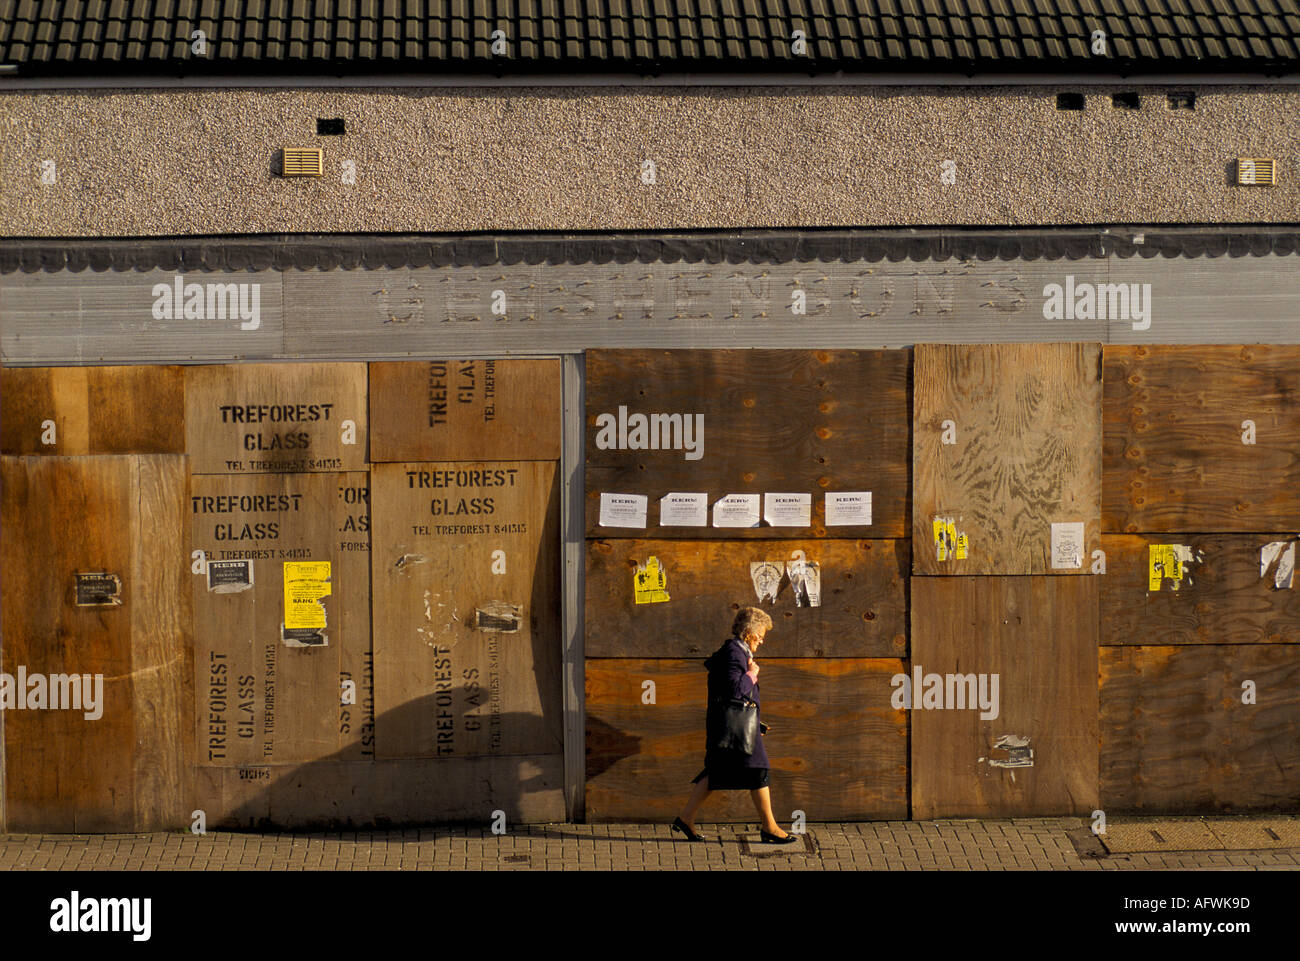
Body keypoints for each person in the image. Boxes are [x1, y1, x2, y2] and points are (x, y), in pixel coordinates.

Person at [672, 607, 797, 844]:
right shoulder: (734, 654)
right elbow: (735, 689)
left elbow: (735, 698)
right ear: (749, 632)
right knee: (759, 769)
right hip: (732, 728)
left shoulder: (736, 652)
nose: (761, 641)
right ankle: (769, 827)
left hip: (733, 726)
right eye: (760, 636)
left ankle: (686, 817)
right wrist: (752, 674)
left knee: (717, 772)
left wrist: (754, 722)